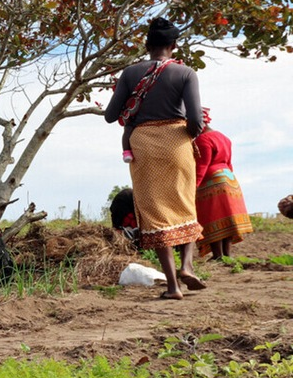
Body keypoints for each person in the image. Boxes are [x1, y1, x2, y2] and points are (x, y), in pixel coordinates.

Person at [104, 17, 206, 299]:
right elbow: (196, 119)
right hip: (177, 142)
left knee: (156, 211)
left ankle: (173, 286)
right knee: (184, 204)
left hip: (143, 145)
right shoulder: (186, 73)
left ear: (147, 46)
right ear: (174, 46)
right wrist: (185, 134)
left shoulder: (130, 73)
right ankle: (187, 266)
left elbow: (111, 115)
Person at [193, 109, 253, 259]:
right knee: (226, 220)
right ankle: (227, 255)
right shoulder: (224, 138)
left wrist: (194, 186)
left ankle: (218, 255)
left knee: (211, 218)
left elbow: (202, 165)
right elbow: (229, 163)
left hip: (212, 181)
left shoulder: (202, 139)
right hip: (229, 179)